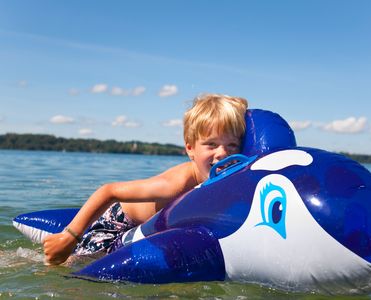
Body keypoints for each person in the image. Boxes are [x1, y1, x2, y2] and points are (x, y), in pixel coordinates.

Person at [43, 93, 248, 265]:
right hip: (117, 225)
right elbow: (109, 191)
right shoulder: (176, 184)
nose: (223, 153)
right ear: (190, 148)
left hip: (152, 227)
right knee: (74, 265)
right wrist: (70, 236)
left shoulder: (225, 178)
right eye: (211, 145)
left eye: (232, 146)